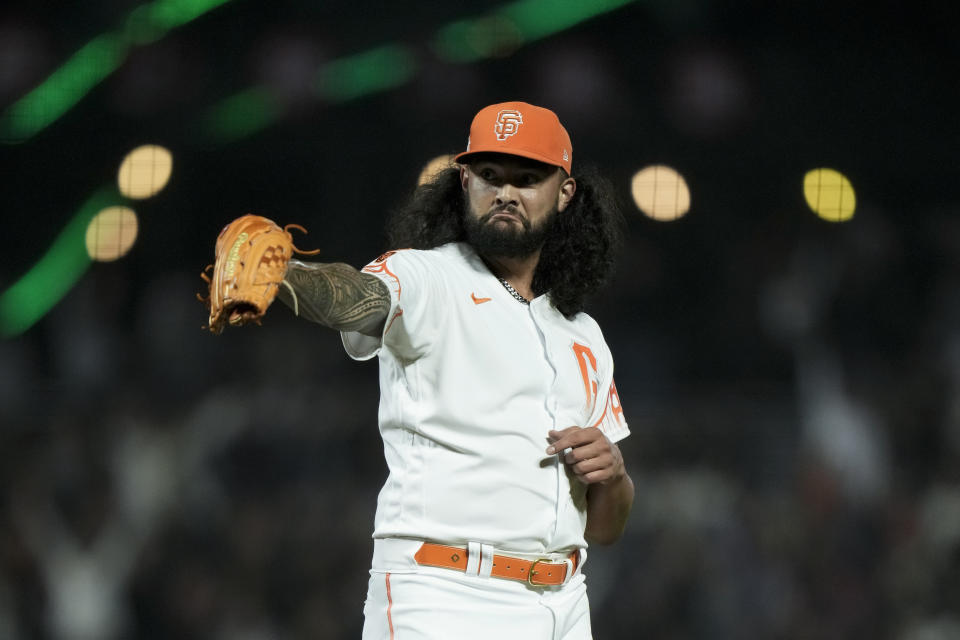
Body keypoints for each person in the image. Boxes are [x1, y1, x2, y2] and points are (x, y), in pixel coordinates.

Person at [276, 101, 633, 639]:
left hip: (565, 605)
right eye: (489, 175)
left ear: (564, 194)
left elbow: (605, 529)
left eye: (528, 178)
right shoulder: (425, 277)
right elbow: (358, 298)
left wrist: (616, 473)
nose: (505, 193)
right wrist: (285, 276)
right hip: (443, 594)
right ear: (463, 180)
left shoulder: (583, 335)